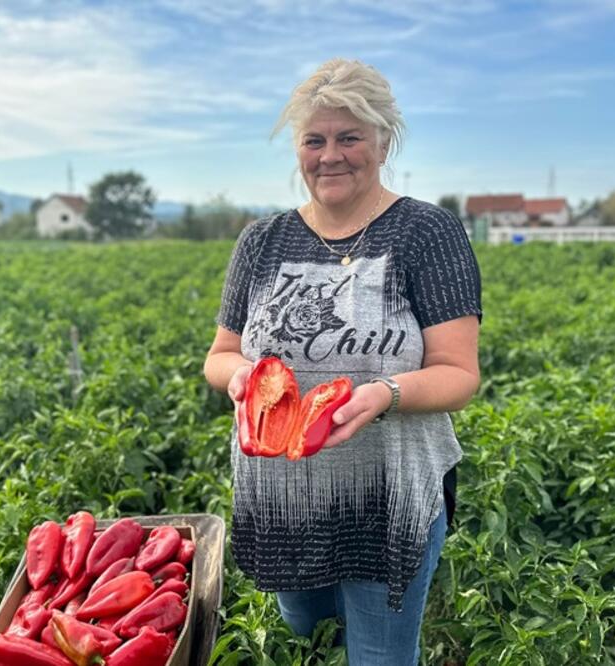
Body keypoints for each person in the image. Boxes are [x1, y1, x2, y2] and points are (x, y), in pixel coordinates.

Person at [203, 58, 482, 665]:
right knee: (306, 637)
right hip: (281, 502)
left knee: (380, 656)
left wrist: (386, 394)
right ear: (299, 150)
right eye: (315, 140)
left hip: (388, 499)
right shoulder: (262, 241)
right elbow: (220, 356)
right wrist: (241, 376)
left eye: (349, 137)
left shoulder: (426, 233)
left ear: (382, 142)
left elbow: (459, 373)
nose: (331, 155)